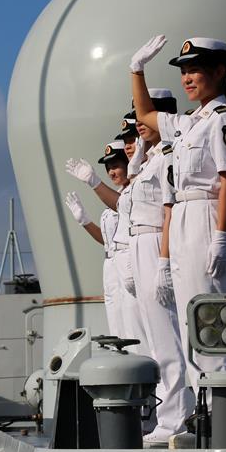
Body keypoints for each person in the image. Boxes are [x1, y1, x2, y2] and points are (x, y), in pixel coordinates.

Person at [128, 35, 226, 388]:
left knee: (208, 317)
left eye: (195, 70)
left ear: (219, 71)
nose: (187, 78)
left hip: (206, 217)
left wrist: (221, 236)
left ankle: (222, 406)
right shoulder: (189, 121)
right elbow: (146, 114)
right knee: (187, 322)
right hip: (181, 217)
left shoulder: (224, 119)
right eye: (184, 72)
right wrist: (136, 70)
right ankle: (203, 410)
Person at [124, 88, 196, 443]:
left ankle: (176, 418)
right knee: (154, 339)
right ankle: (166, 414)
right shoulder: (151, 157)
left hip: (156, 242)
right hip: (140, 243)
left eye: (145, 115)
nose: (139, 123)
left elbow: (168, 211)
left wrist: (164, 261)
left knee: (168, 337)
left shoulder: (169, 155)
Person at [64, 140, 132, 341]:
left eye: (116, 166)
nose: (112, 172)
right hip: (111, 265)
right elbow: (107, 241)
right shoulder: (115, 197)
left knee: (133, 324)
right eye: (108, 168)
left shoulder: (129, 196)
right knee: (117, 325)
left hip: (128, 260)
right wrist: (84, 221)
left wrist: (93, 182)